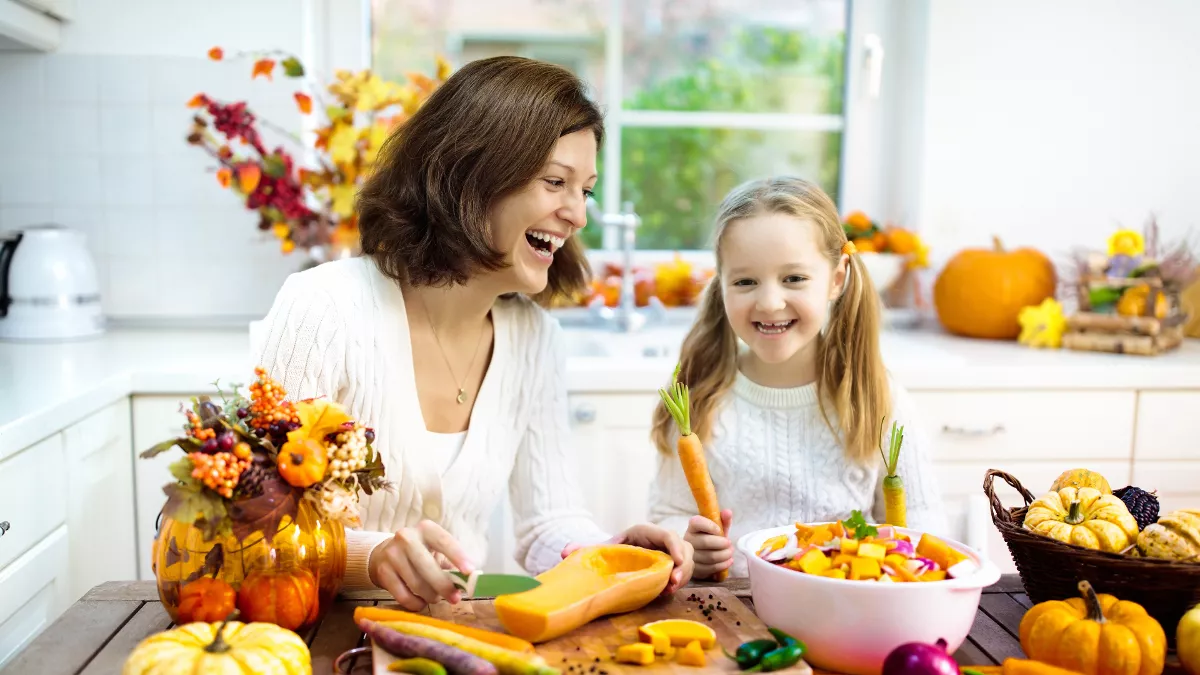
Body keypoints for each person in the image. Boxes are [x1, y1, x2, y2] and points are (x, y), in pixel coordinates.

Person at [254, 55, 694, 610]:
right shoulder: (324, 308)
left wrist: (607, 551)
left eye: (585, 191)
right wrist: (371, 554)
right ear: (472, 176)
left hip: (455, 636)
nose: (578, 215)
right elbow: (254, 524)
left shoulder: (535, 340)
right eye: (556, 182)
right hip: (312, 631)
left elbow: (547, 521)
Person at [647, 176, 947, 579]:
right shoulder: (698, 396)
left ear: (836, 278)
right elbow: (668, 515)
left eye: (793, 278)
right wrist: (686, 548)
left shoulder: (880, 398)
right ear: (721, 285)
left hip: (851, 613)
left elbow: (925, 531)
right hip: (735, 618)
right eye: (745, 281)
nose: (770, 302)